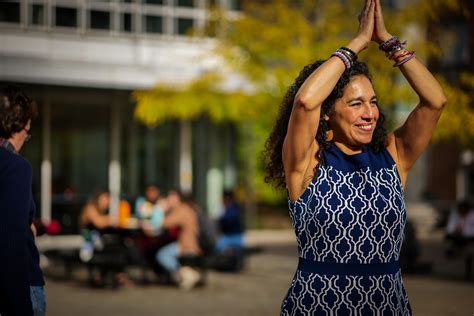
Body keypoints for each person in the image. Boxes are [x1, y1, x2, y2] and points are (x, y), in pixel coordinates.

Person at [263, 0, 447, 314]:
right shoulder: (306, 163)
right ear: (327, 114)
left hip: (385, 305)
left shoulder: (392, 156)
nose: (369, 114)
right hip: (319, 306)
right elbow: (306, 101)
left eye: (373, 103)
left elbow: (435, 101)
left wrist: (387, 41)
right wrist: (359, 42)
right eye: (356, 104)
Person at [0, 85, 45, 315]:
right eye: (27, 133)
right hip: (18, 286)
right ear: (16, 129)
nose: (25, 139)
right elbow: (12, 240)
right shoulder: (15, 167)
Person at [80, 191, 132, 287]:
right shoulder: (90, 208)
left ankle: (114, 274)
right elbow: (98, 222)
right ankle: (116, 275)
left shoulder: (103, 211)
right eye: (105, 198)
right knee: (117, 250)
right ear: (97, 199)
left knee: (121, 246)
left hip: (100, 243)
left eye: (108, 199)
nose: (107, 202)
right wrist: (114, 219)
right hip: (88, 246)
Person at [153, 190, 202, 290]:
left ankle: (186, 273)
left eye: (170, 199)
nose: (168, 201)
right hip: (188, 243)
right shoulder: (184, 209)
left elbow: (163, 223)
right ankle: (184, 274)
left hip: (187, 245)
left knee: (162, 255)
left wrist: (160, 208)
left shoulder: (181, 210)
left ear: (177, 199)